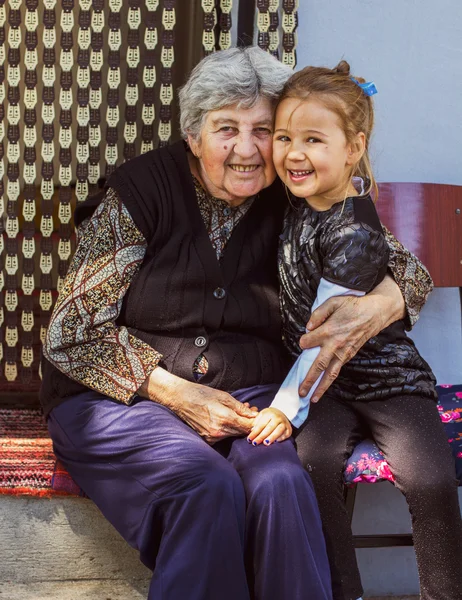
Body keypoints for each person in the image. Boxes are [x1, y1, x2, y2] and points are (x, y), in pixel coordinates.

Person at [40, 48, 433, 600]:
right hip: (123, 401)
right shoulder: (140, 192)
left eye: (265, 130)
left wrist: (376, 306)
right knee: (203, 485)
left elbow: (411, 274)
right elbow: (71, 332)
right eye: (227, 128)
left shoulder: (297, 190)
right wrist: (177, 393)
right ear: (194, 135)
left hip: (251, 398)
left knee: (279, 485)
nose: (248, 149)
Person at [249, 60, 462, 600]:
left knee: (430, 480)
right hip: (330, 389)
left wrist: (283, 408)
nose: (293, 153)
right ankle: (344, 591)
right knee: (312, 469)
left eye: (313, 139)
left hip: (385, 379)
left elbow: (328, 337)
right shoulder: (298, 198)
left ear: (353, 146)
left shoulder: (354, 233)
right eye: (284, 137)